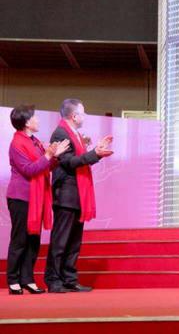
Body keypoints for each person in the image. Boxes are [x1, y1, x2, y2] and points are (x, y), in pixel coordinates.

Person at [44, 99, 114, 293]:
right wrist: (95, 154)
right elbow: (69, 162)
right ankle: (53, 279)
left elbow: (78, 159)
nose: (85, 116)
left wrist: (94, 152)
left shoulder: (74, 133)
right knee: (60, 240)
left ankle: (69, 278)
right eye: (83, 113)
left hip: (76, 194)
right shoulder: (60, 133)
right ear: (74, 116)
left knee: (74, 241)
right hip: (66, 193)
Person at [6, 105, 69, 295]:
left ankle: (27, 279)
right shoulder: (17, 143)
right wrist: (48, 155)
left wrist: (54, 157)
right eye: (35, 117)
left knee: (33, 240)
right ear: (26, 122)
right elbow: (29, 170)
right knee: (20, 239)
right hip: (21, 197)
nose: (38, 120)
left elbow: (44, 167)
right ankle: (13, 279)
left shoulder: (34, 141)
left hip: (37, 196)